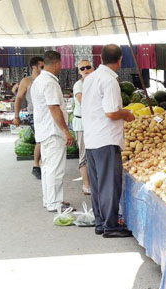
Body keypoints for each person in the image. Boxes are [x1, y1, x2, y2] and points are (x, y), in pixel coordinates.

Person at [82, 44, 136, 238]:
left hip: (92, 138)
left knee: (97, 184)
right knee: (110, 184)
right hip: (106, 139)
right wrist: (127, 114)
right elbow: (112, 112)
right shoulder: (109, 80)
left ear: (101, 59)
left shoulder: (90, 78)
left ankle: (100, 222)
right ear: (120, 59)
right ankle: (111, 226)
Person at [30, 50, 75, 213]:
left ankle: (50, 200)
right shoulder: (49, 83)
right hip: (53, 131)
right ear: (57, 64)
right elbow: (54, 108)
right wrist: (66, 131)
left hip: (44, 130)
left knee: (48, 167)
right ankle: (55, 203)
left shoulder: (38, 80)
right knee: (55, 169)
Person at [13, 56, 45, 179]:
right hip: (34, 114)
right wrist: (16, 116)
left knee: (45, 140)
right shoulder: (27, 81)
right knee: (40, 140)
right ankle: (36, 166)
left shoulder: (45, 79)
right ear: (34, 67)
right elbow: (19, 99)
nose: (43, 69)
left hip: (46, 113)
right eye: (41, 66)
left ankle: (42, 164)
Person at [73, 59, 94, 195]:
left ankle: (93, 183)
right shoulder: (79, 85)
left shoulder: (93, 83)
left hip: (92, 123)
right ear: (79, 71)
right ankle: (86, 185)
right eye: (82, 68)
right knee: (84, 155)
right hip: (82, 124)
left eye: (88, 67)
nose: (85, 70)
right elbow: (84, 103)